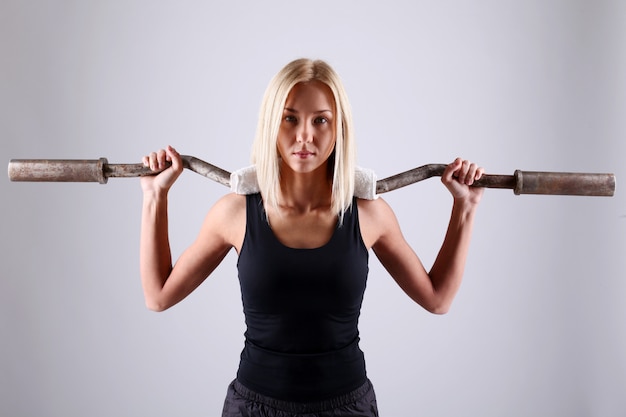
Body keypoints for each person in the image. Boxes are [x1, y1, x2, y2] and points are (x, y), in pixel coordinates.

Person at [139, 58, 485, 417]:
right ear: (271, 125)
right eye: (290, 118)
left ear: (339, 129)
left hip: (347, 406)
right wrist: (155, 196)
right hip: (254, 407)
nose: (305, 135)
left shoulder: (369, 214)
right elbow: (158, 295)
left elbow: (437, 299)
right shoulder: (234, 213)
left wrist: (466, 207)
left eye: (320, 120)